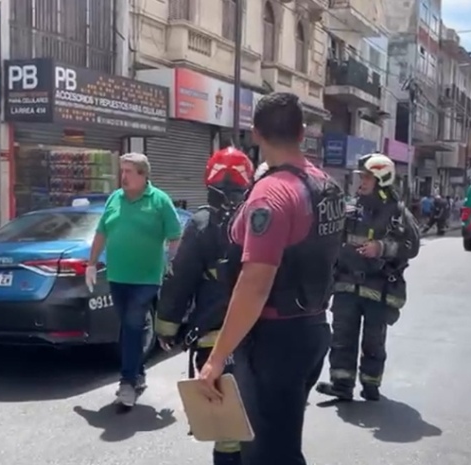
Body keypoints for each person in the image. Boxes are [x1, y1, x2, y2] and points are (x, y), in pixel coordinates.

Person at [196, 92, 345, 465]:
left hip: (274, 341)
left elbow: (255, 284)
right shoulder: (325, 185)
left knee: (268, 456)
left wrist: (216, 358)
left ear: (255, 134)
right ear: (302, 131)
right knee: (280, 445)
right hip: (311, 329)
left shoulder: (272, 194)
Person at [154, 147, 254, 465]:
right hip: (261, 337)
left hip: (213, 339)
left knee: (225, 422)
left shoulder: (201, 224)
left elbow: (179, 278)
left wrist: (166, 326)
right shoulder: (263, 217)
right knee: (260, 414)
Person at [316, 153, 420, 401]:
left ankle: (371, 384)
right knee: (341, 338)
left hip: (378, 287)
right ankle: (342, 385)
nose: (360, 182)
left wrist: (381, 248)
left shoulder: (398, 213)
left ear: (381, 179)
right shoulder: (351, 208)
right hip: (346, 285)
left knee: (374, 341)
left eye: (366, 177)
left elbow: (412, 246)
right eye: (361, 177)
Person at [86, 152, 183, 408]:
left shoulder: (159, 201)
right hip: (118, 276)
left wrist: (171, 263)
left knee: (131, 324)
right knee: (131, 328)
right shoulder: (114, 199)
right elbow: (101, 232)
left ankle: (127, 382)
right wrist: (91, 263)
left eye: (129, 172)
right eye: (122, 171)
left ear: (143, 175)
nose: (123, 177)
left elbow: (175, 236)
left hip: (147, 279)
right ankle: (138, 372)